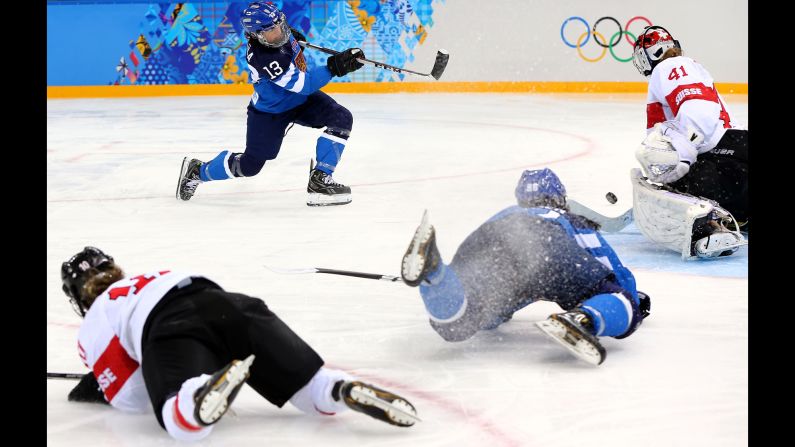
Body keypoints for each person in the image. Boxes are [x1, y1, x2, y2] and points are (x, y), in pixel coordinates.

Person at [61, 247, 418, 441]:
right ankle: (342, 389)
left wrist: (98, 387)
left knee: (179, 422)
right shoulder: (146, 278)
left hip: (170, 326)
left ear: (78, 295)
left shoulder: (96, 319)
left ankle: (198, 392)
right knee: (311, 390)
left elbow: (133, 398)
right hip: (231, 305)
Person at [399, 168, 651, 365]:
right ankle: (581, 319)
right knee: (622, 299)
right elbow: (613, 271)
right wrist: (628, 296)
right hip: (548, 244)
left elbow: (472, 272)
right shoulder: (564, 218)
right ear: (560, 198)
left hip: (490, 241)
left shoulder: (505, 215)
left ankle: (435, 276)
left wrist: (464, 288)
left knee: (459, 323)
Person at [177, 2, 366, 206]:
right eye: (271, 31)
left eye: (279, 25)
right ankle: (198, 171)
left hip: (300, 101)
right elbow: (305, 84)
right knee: (250, 166)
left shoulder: (277, 35)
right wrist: (335, 67)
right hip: (271, 112)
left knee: (341, 118)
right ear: (257, 35)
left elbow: (294, 62)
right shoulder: (264, 57)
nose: (280, 32)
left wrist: (292, 37)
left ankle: (320, 179)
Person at [629, 25, 748, 257]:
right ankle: (737, 213)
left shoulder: (670, 65)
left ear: (650, 54)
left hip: (726, 156)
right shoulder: (682, 66)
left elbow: (699, 109)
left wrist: (682, 152)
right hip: (733, 154)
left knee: (667, 162)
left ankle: (709, 225)